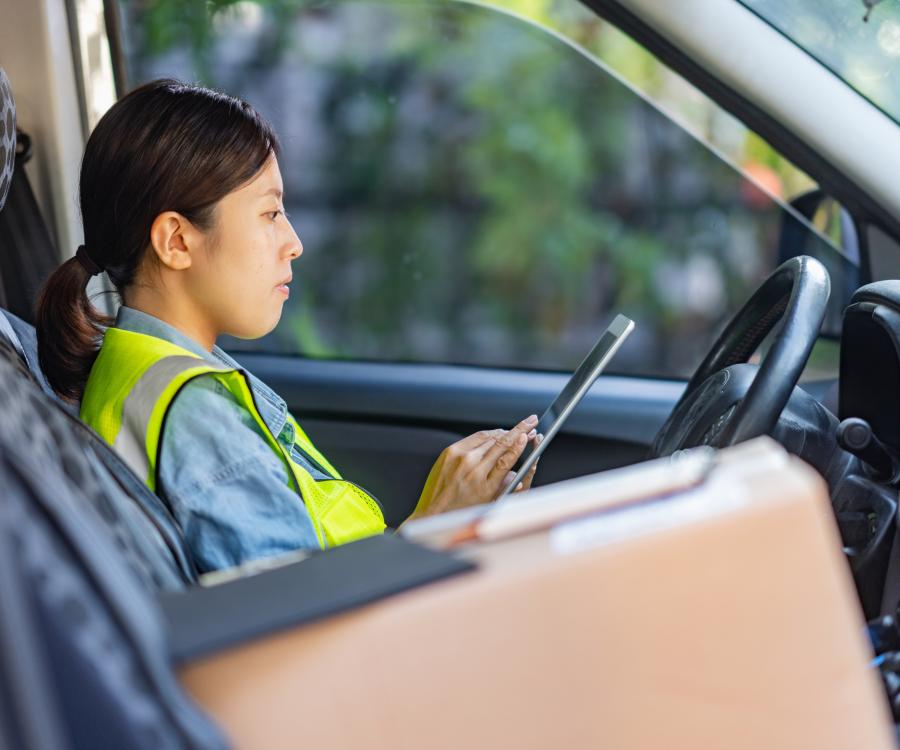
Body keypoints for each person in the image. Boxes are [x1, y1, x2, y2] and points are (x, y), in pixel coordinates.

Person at [35, 79, 540, 573]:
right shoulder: (195, 415)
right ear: (177, 242)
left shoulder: (137, 370)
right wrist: (433, 525)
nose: (294, 241)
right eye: (270, 213)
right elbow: (294, 625)